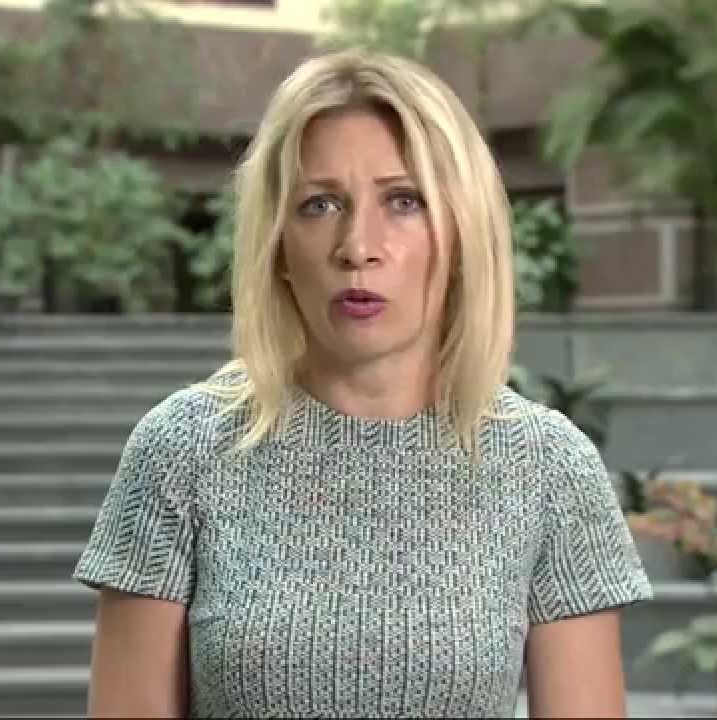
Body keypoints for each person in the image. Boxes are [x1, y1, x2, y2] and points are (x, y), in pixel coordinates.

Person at [72, 48, 653, 719]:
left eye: (403, 201)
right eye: (319, 204)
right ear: (277, 244)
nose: (356, 246)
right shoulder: (182, 451)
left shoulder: (549, 468)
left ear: (461, 233)